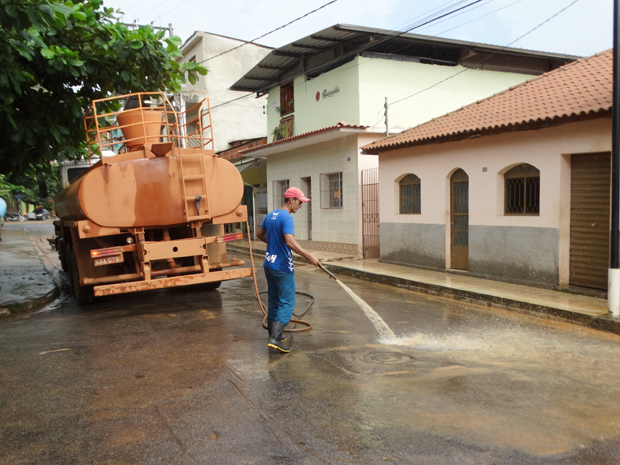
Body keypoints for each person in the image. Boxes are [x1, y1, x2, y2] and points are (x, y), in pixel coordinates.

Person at [256, 187, 320, 353]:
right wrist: (309, 256)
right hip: (282, 266)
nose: (301, 205)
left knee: (274, 300)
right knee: (287, 302)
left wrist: (273, 245)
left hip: (269, 264)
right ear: (291, 200)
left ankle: (273, 335)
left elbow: (259, 233)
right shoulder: (287, 218)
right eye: (299, 202)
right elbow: (290, 242)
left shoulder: (271, 215)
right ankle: (275, 339)